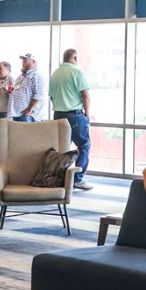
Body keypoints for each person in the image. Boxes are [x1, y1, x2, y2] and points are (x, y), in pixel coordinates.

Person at [48, 48, 92, 191]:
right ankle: (77, 179)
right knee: (84, 145)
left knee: (62, 148)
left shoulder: (55, 74)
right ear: (75, 58)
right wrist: (87, 114)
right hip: (74, 115)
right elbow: (85, 95)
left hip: (58, 115)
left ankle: (58, 178)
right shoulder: (76, 72)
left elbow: (52, 97)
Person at [8, 52, 46, 122]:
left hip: (27, 114)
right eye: (23, 61)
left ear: (34, 62)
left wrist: (29, 109)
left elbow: (38, 95)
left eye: (26, 61)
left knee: (26, 133)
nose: (23, 63)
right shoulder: (22, 76)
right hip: (17, 113)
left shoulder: (37, 75)